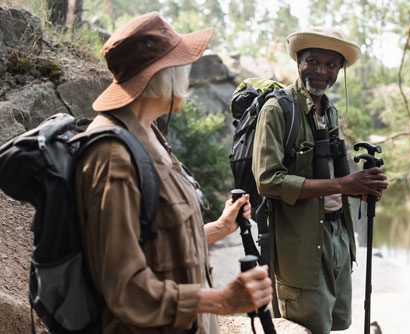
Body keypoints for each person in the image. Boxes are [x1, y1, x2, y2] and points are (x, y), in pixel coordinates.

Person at [75, 12, 272, 334]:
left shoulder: (148, 134)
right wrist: (221, 300)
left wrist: (220, 227)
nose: (188, 79)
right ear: (162, 75)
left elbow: (155, 239)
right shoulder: (112, 157)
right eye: (182, 68)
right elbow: (124, 288)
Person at [252, 27, 389, 333]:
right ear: (298, 61)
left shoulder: (330, 112)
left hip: (337, 236)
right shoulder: (277, 110)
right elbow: (268, 180)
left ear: (340, 70)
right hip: (300, 244)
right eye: (313, 61)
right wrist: (344, 185)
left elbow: (333, 178)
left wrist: (365, 189)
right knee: (305, 328)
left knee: (335, 324)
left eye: (331, 65)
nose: (321, 71)